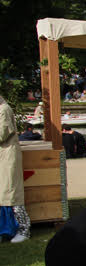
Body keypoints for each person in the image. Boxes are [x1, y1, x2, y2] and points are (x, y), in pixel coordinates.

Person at [0, 95, 31, 243]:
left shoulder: (4, 110)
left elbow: (2, 134)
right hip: (3, 156)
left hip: (7, 157)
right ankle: (6, 230)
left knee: (12, 192)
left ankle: (24, 229)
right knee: (4, 194)